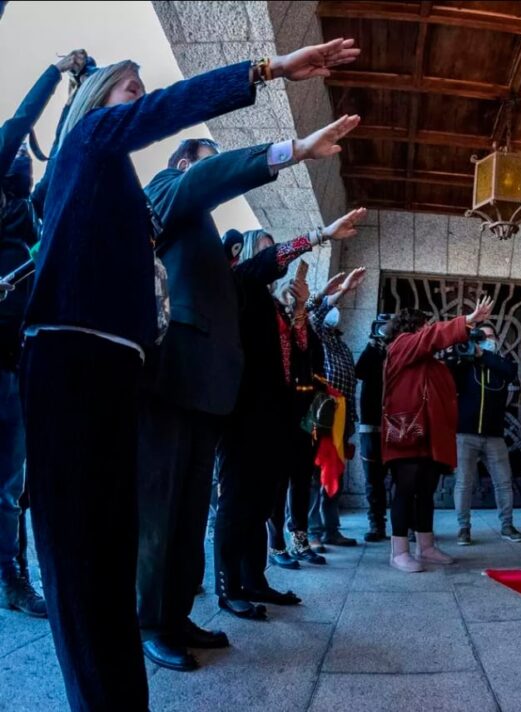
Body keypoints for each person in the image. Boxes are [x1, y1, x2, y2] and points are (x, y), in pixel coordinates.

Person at [18, 40, 359, 710]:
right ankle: (115, 676)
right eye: (129, 90)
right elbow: (197, 159)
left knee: (112, 548)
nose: (141, 98)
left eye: (144, 90)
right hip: (72, 362)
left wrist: (311, 237)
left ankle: (134, 670)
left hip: (119, 369)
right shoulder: (89, 142)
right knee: (85, 556)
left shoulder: (122, 194)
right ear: (96, 104)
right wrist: (270, 75)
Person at [138, 117, 360, 672]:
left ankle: (180, 612)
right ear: (186, 164)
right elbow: (256, 268)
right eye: (207, 158)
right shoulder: (166, 193)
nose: (215, 167)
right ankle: (150, 621)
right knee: (167, 512)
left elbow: (263, 285)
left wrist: (320, 260)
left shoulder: (205, 235)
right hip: (176, 381)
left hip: (212, 391)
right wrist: (294, 157)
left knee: (191, 511)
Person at [215, 212, 364, 619]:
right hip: (243, 414)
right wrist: (320, 236)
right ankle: (228, 587)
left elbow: (299, 347)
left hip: (275, 415)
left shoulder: (270, 305)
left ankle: (255, 579)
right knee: (238, 500)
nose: (274, 261)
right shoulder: (238, 284)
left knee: (263, 498)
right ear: (247, 255)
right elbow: (266, 263)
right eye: (266, 253)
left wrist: (305, 305)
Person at [0, 50, 85, 619]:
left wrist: (79, 96)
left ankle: (10, 573)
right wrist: (54, 74)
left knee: (11, 481)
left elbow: (57, 165)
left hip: (17, 365)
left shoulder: (30, 216)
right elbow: (17, 128)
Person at [382, 296, 494, 572]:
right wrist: (466, 321)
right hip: (407, 434)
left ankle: (427, 546)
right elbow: (429, 338)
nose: (429, 328)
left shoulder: (431, 362)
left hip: (430, 439)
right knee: (405, 491)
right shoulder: (401, 345)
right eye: (426, 325)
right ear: (412, 327)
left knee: (425, 492)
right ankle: (398, 552)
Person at [266, 272, 327, 567]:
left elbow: (306, 352)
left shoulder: (303, 323)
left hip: (305, 411)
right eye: (290, 293)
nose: (293, 299)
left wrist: (302, 309)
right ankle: (276, 545)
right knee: (278, 482)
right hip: (278, 411)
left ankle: (300, 540)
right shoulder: (270, 317)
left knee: (302, 479)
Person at [307, 268, 367, 549]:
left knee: (336, 474)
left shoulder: (339, 343)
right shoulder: (316, 334)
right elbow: (315, 315)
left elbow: (350, 387)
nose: (335, 313)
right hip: (320, 418)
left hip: (341, 421)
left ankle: (332, 528)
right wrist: (342, 290)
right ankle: (312, 530)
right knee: (314, 476)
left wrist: (351, 422)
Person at [452, 321, 521, 546]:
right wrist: (466, 353)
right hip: (465, 434)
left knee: (503, 482)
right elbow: (449, 377)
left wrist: (483, 354)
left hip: (495, 435)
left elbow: (511, 371)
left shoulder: (500, 363)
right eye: (480, 337)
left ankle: (507, 525)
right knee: (464, 483)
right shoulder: (464, 364)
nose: (486, 339)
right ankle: (463, 528)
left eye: (489, 336)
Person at [353, 317, 389, 542]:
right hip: (370, 424)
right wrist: (373, 345)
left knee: (402, 477)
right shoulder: (371, 351)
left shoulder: (401, 350)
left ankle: (410, 525)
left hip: (398, 425)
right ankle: (377, 524)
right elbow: (359, 372)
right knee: (373, 479)